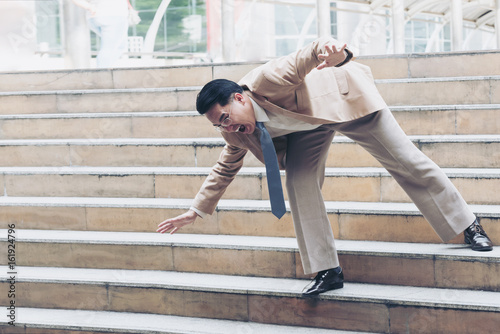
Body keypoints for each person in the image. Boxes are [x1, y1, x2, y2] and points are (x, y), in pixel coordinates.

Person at [157, 37, 493, 296]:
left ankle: (468, 225)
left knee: (407, 160)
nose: (227, 128)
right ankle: (327, 270)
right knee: (299, 182)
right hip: (306, 128)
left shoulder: (267, 79)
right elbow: (224, 168)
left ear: (241, 98)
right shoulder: (236, 134)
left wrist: (333, 51)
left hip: (344, 101)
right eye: (219, 126)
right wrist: (197, 209)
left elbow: (309, 53)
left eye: (226, 118)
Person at [72, 0, 132, 68]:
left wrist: (89, 7)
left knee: (119, 46)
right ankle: (101, 74)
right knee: (109, 49)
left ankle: (105, 70)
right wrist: (89, 7)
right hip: (113, 15)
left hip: (95, 16)